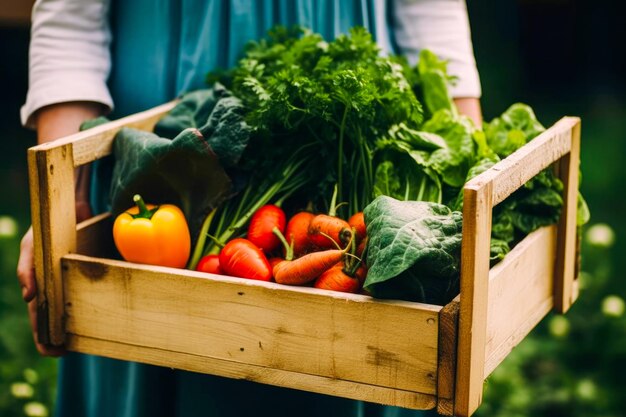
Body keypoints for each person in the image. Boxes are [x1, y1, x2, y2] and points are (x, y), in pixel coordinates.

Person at [18, 0, 482, 416]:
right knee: (157, 324)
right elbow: (70, 18)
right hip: (166, 130)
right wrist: (63, 203)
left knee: (359, 340)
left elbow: (431, 8)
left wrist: (466, 156)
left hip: (355, 93)